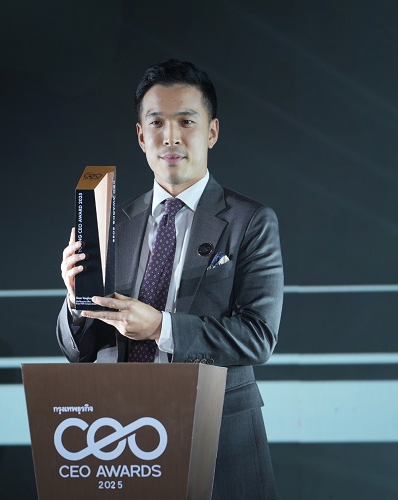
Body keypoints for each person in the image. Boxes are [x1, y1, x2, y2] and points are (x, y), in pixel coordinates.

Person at [57, 59, 283, 499]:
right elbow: (75, 350)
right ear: (141, 136)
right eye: (157, 122)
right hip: (121, 436)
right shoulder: (113, 221)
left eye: (186, 121)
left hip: (217, 435)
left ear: (212, 132)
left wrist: (161, 327)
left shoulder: (251, 221)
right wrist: (75, 301)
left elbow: (258, 337)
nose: (171, 136)